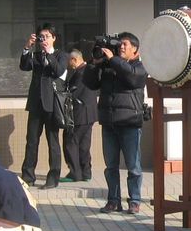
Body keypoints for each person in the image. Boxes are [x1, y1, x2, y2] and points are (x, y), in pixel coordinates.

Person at [83, 32, 148, 214]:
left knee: (133, 166)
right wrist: (94, 65)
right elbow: (90, 83)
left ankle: (134, 201)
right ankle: (113, 201)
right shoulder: (109, 65)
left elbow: (133, 78)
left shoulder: (139, 66)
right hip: (109, 123)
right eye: (119, 44)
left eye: (125, 44)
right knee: (111, 166)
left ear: (135, 49)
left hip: (130, 124)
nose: (121, 47)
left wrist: (113, 60)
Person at [19, 24, 67, 189]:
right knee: (31, 141)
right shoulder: (36, 55)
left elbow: (58, 71)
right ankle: (28, 176)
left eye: (47, 36)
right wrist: (27, 47)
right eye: (41, 37)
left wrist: (49, 54)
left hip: (52, 105)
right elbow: (24, 66)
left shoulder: (61, 55)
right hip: (35, 103)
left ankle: (53, 178)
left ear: (54, 38)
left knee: (53, 142)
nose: (44, 40)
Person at [60, 49, 98, 183]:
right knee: (84, 144)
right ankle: (86, 172)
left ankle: (75, 173)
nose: (69, 65)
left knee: (71, 142)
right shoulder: (89, 71)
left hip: (79, 114)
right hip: (90, 114)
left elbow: (72, 93)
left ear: (74, 60)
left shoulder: (81, 74)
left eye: (70, 62)